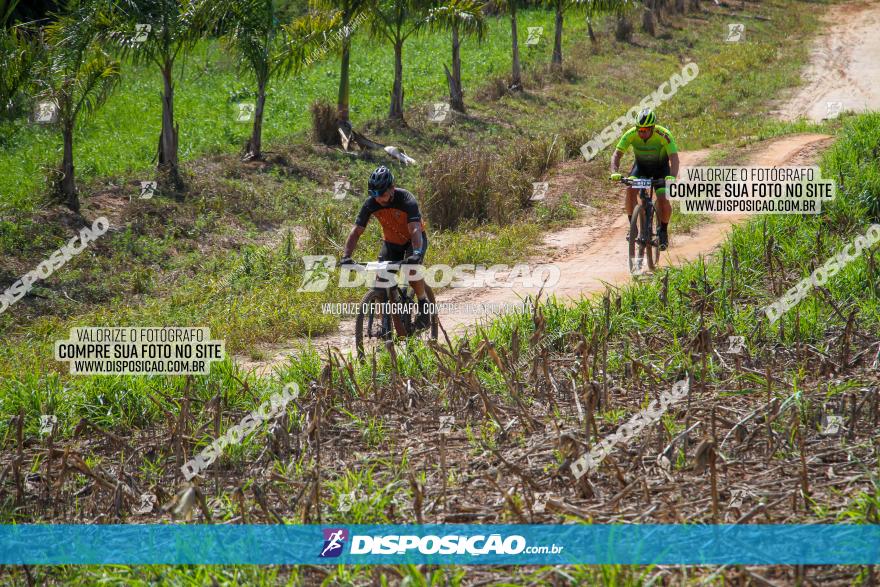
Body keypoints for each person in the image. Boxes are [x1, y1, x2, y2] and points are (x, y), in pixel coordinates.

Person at [341, 166, 432, 328]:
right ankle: (386, 327)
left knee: (411, 271)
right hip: (392, 243)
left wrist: (417, 252)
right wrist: (346, 256)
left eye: (381, 194)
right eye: (373, 194)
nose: (378, 199)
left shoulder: (406, 200)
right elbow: (356, 231)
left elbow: (415, 229)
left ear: (392, 189)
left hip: (414, 240)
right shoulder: (371, 203)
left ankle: (424, 304)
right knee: (381, 283)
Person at [609, 108, 680, 251]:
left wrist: (672, 176)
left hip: (661, 169)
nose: (641, 133)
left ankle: (663, 231)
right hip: (641, 168)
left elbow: (674, 158)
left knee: (662, 198)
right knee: (630, 189)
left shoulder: (664, 134)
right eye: (639, 130)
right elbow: (617, 155)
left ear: (653, 128)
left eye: (645, 130)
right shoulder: (631, 134)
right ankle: (633, 227)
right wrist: (614, 172)